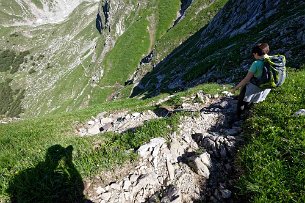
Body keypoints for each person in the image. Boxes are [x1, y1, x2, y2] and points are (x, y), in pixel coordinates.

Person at [231, 43, 271, 118]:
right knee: (253, 101)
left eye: (254, 54)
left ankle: (238, 117)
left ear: (256, 53)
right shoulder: (271, 59)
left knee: (242, 99)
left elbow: (246, 79)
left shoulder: (256, 63)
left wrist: (235, 88)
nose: (253, 56)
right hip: (268, 86)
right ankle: (249, 113)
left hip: (257, 86)